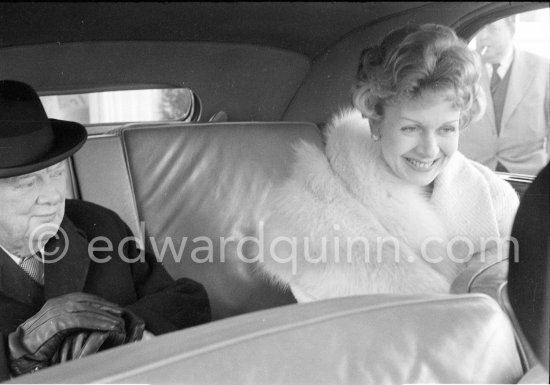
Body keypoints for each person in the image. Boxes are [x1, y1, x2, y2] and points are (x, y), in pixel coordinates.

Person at [258, 24, 520, 302]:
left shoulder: (495, 198)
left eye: (446, 129)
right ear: (376, 121)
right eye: (410, 129)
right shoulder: (313, 208)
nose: (429, 149)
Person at [0, 80, 211, 380]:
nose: (51, 195)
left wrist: (128, 332)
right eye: (28, 183)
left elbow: (187, 302)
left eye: (56, 172)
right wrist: (19, 355)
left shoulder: (98, 225)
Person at [458, 16, 550, 175]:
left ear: (512, 29)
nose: (483, 36)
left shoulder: (543, 68)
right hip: (472, 174)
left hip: (527, 177)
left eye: (493, 29)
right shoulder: (462, 68)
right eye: (480, 29)